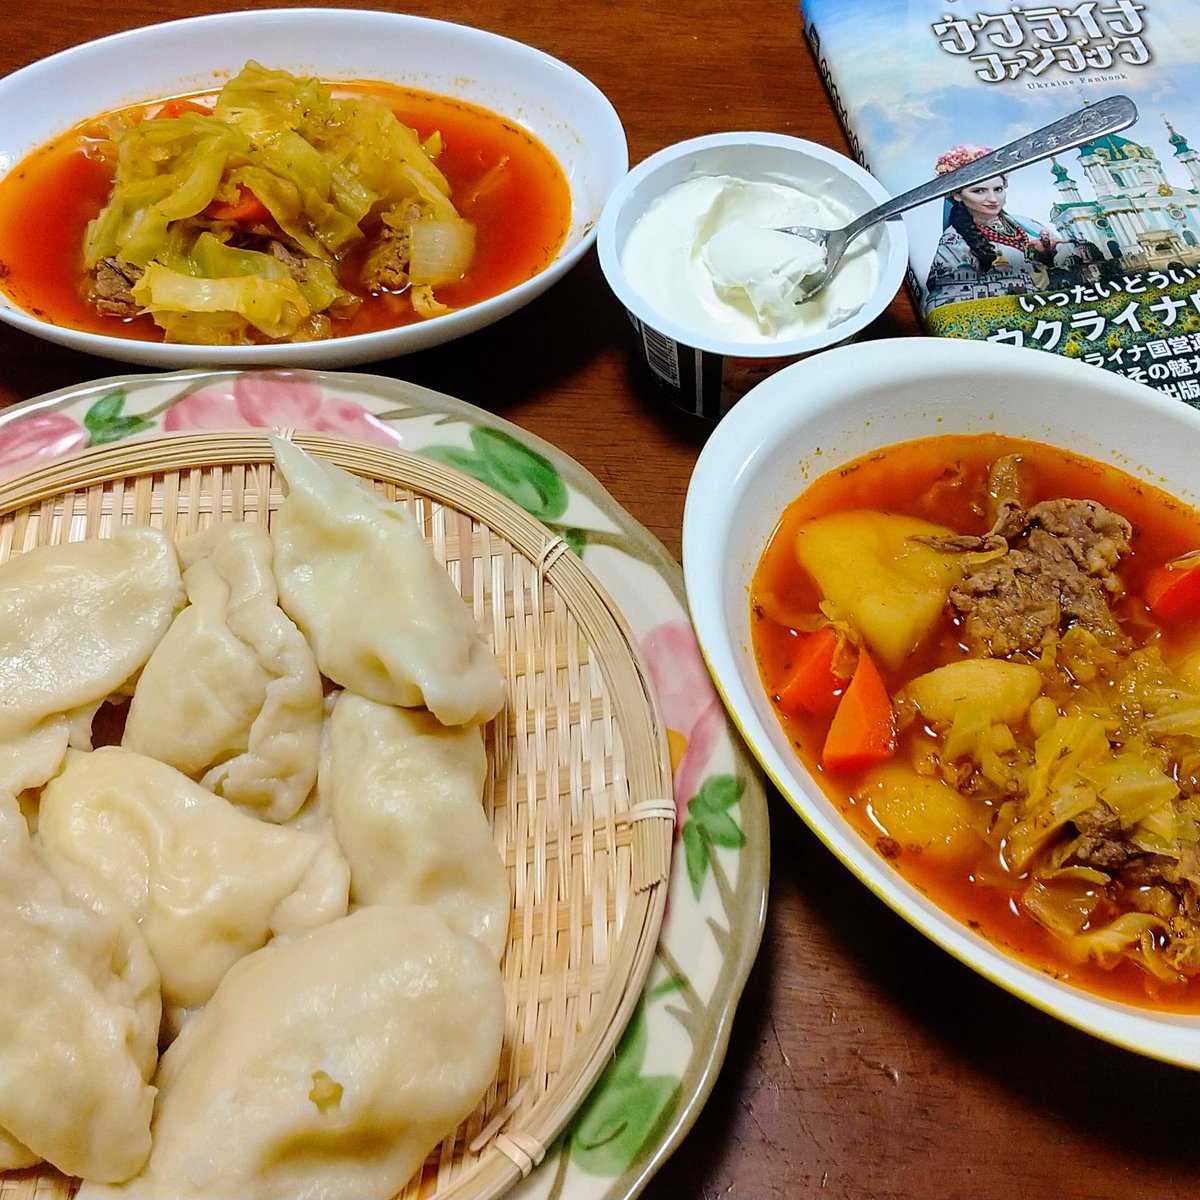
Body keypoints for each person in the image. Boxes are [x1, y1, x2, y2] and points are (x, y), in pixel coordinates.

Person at [922, 143, 1069, 316]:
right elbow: (943, 300)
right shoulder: (954, 241)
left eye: (998, 189)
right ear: (957, 194)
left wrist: (1047, 257)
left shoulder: (1029, 225)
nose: (993, 199)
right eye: (979, 191)